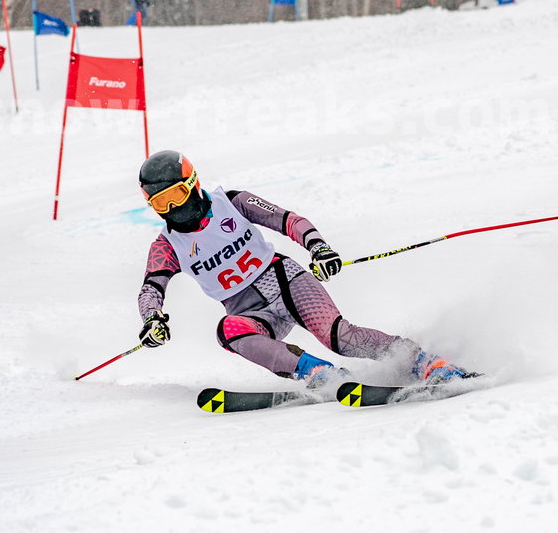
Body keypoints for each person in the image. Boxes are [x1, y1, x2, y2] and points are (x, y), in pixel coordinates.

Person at [135, 150, 477, 388]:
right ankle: (320, 374)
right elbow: (151, 287)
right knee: (229, 331)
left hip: (285, 282)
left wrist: (319, 247)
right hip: (251, 312)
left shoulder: (233, 202)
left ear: (193, 183)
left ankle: (425, 363)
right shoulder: (167, 246)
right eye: (160, 203)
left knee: (339, 337)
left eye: (176, 195)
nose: (173, 209)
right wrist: (152, 318)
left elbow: (288, 221)